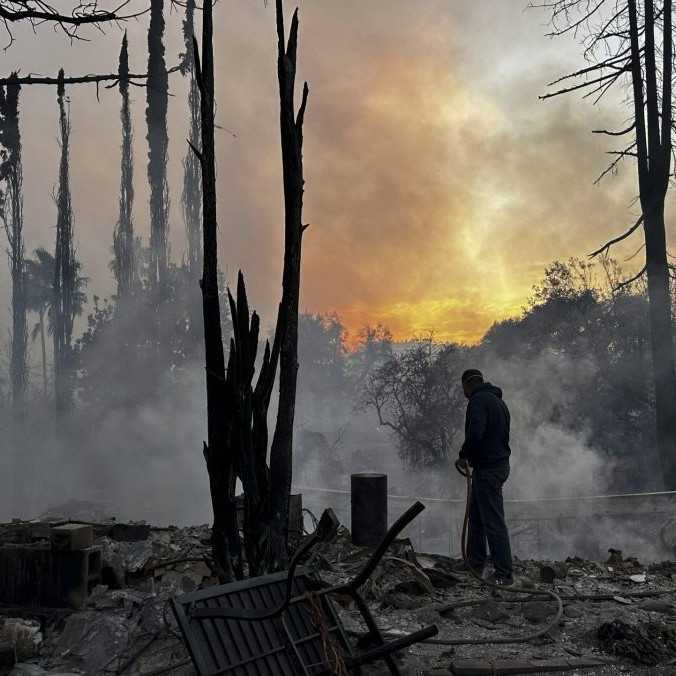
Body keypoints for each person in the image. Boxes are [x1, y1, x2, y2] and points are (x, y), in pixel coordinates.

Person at [455, 368, 514, 585]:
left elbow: (476, 432)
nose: (464, 393)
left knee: (493, 521)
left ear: (468, 385)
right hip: (497, 466)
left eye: (464, 389)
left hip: (489, 469)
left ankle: (504, 574)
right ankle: (475, 561)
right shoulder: (499, 402)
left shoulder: (478, 401)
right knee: (477, 517)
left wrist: (464, 455)